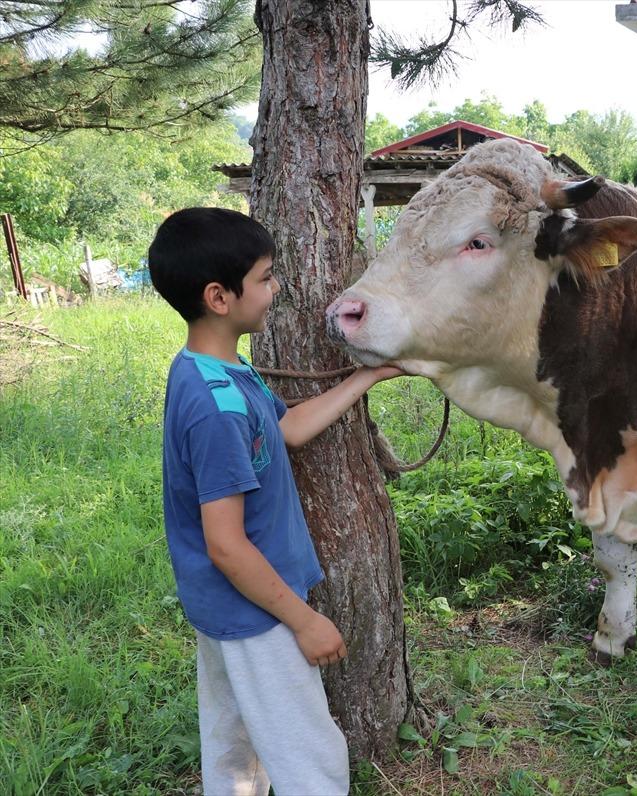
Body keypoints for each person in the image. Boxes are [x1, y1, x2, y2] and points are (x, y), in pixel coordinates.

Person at [148, 207, 402, 792]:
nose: (276, 288)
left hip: (227, 609)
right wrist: (305, 620)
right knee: (312, 760)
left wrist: (370, 377)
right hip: (258, 612)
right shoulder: (217, 408)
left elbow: (285, 429)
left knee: (235, 751)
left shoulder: (218, 370)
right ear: (219, 296)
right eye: (264, 278)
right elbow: (227, 544)